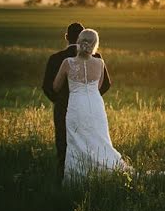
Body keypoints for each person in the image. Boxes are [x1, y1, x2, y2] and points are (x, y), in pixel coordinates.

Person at [52, 28, 126, 182]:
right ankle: (103, 171)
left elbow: (55, 87)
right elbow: (98, 86)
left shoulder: (68, 63)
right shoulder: (100, 63)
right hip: (95, 105)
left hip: (76, 105)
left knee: (76, 139)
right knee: (98, 138)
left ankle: (77, 178)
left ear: (78, 42)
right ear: (95, 45)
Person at [41, 22, 112, 181]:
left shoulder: (56, 58)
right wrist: (89, 97)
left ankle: (65, 178)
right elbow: (106, 84)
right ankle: (94, 176)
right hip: (92, 108)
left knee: (64, 144)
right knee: (93, 142)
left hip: (64, 108)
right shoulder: (98, 59)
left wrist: (60, 101)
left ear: (66, 37)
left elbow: (48, 87)